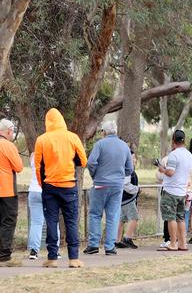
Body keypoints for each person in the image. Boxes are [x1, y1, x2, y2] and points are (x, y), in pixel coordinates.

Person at [34, 108, 87, 268]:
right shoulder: (72, 137)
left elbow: (38, 166)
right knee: (71, 222)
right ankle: (74, 258)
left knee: (51, 221)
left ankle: (52, 258)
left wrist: (42, 184)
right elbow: (83, 161)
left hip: (49, 186)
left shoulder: (42, 140)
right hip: (69, 185)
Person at [84, 121, 133, 256]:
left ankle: (93, 245)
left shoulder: (99, 144)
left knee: (95, 214)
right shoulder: (124, 146)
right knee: (113, 216)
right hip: (117, 185)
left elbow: (91, 162)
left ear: (104, 132)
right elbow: (130, 168)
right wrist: (121, 175)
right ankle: (110, 247)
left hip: (100, 184)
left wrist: (95, 175)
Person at [157, 130, 192, 251]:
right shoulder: (189, 155)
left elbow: (170, 172)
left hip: (170, 190)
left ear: (173, 141)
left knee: (170, 218)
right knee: (180, 218)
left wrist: (161, 169)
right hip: (182, 191)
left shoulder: (174, 154)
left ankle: (173, 243)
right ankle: (182, 243)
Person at [0, 119, 24, 266]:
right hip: (6, 189)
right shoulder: (7, 145)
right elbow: (19, 167)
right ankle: (4, 255)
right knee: (7, 221)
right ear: (8, 131)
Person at [116, 150, 139, 249]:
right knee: (134, 217)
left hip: (122, 198)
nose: (134, 160)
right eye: (132, 158)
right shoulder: (127, 170)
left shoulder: (125, 169)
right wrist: (137, 189)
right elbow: (125, 185)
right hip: (127, 198)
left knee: (121, 220)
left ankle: (116, 240)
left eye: (134, 157)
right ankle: (127, 238)